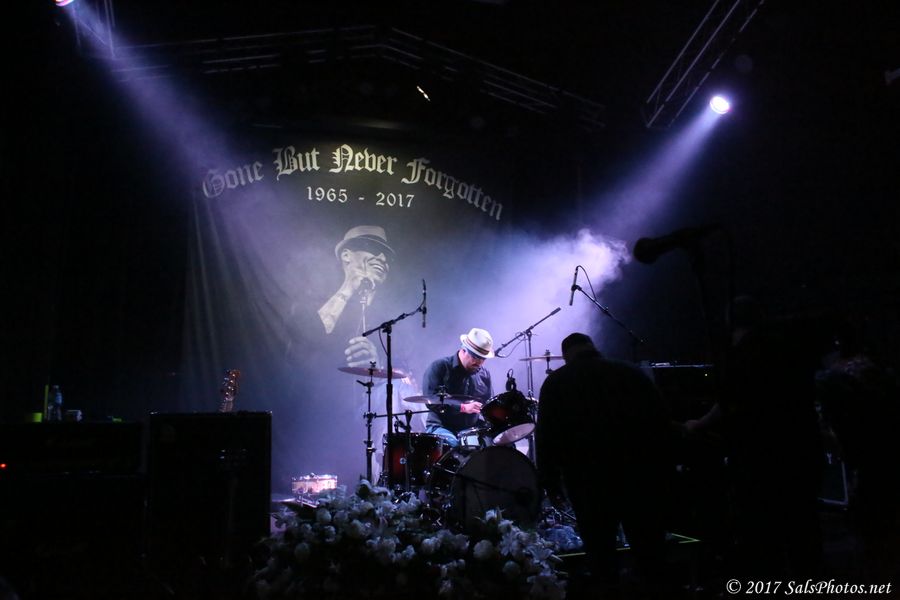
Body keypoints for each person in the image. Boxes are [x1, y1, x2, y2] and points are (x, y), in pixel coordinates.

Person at [536, 332, 671, 595]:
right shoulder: (631, 373)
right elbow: (661, 422)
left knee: (601, 555)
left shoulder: (556, 382)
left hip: (588, 480)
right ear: (593, 348)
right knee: (649, 553)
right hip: (639, 476)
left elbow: (546, 437)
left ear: (566, 356)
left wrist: (549, 481)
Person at [286, 224, 394, 368]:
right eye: (373, 249)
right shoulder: (312, 299)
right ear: (346, 255)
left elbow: (406, 369)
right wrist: (350, 286)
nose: (383, 258)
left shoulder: (390, 318)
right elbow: (307, 336)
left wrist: (377, 366)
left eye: (387, 257)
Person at [422, 327, 496, 447]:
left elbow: (489, 404)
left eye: (483, 359)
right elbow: (431, 401)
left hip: (471, 429)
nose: (479, 362)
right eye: (475, 357)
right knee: (455, 447)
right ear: (463, 350)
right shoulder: (440, 367)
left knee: (496, 445)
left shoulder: (484, 374)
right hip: (441, 427)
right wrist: (463, 408)